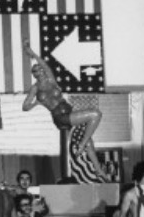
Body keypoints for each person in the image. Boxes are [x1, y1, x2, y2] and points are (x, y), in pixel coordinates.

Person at [22, 40, 103, 174]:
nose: (40, 71)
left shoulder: (51, 81)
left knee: (88, 138)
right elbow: (24, 107)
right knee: (96, 114)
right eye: (36, 70)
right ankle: (81, 146)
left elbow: (46, 65)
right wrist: (36, 103)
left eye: (41, 69)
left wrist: (33, 54)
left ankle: (99, 170)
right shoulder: (35, 88)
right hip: (60, 117)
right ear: (34, 74)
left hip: (68, 112)